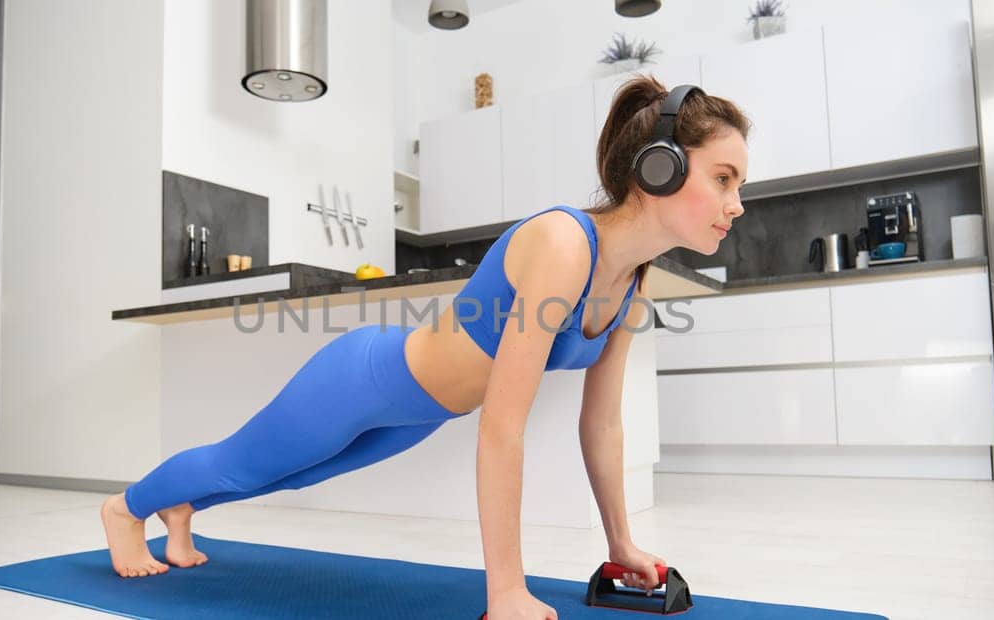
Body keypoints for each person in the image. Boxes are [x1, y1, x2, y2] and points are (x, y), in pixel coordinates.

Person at [98, 75, 751, 620]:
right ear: (658, 169)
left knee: (293, 474)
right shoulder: (563, 243)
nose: (737, 203)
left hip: (423, 410)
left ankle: (179, 509)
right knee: (244, 462)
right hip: (367, 378)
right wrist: (505, 593)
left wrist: (622, 545)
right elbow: (502, 425)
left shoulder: (632, 280)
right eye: (724, 178)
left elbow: (602, 423)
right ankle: (125, 510)